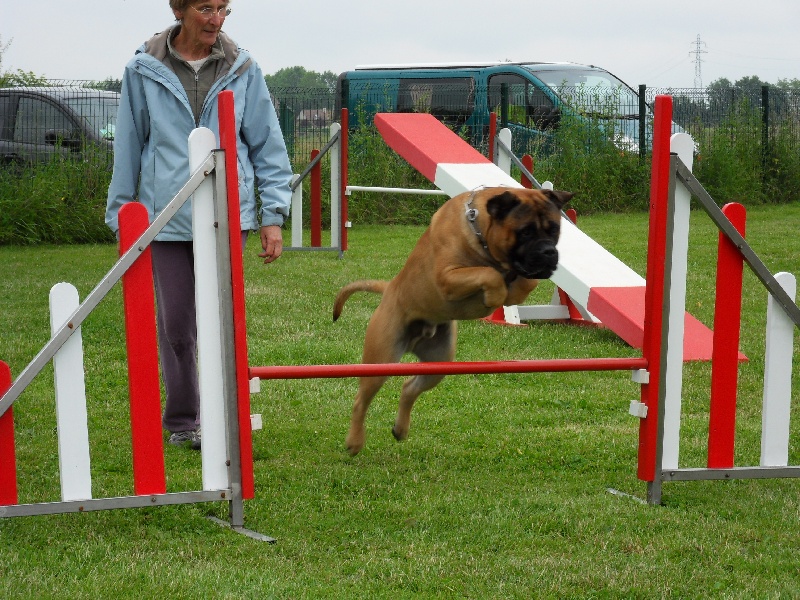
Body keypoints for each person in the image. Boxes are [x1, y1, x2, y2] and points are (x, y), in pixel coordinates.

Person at [106, 0, 292, 450]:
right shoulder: (142, 68)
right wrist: (121, 217)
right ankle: (185, 419)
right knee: (176, 324)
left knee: (222, 319)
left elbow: (268, 144)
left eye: (225, 9)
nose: (217, 19)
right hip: (164, 217)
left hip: (226, 215)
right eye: (206, 8)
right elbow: (129, 144)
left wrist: (273, 216)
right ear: (179, 9)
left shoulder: (244, 68)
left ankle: (224, 413)